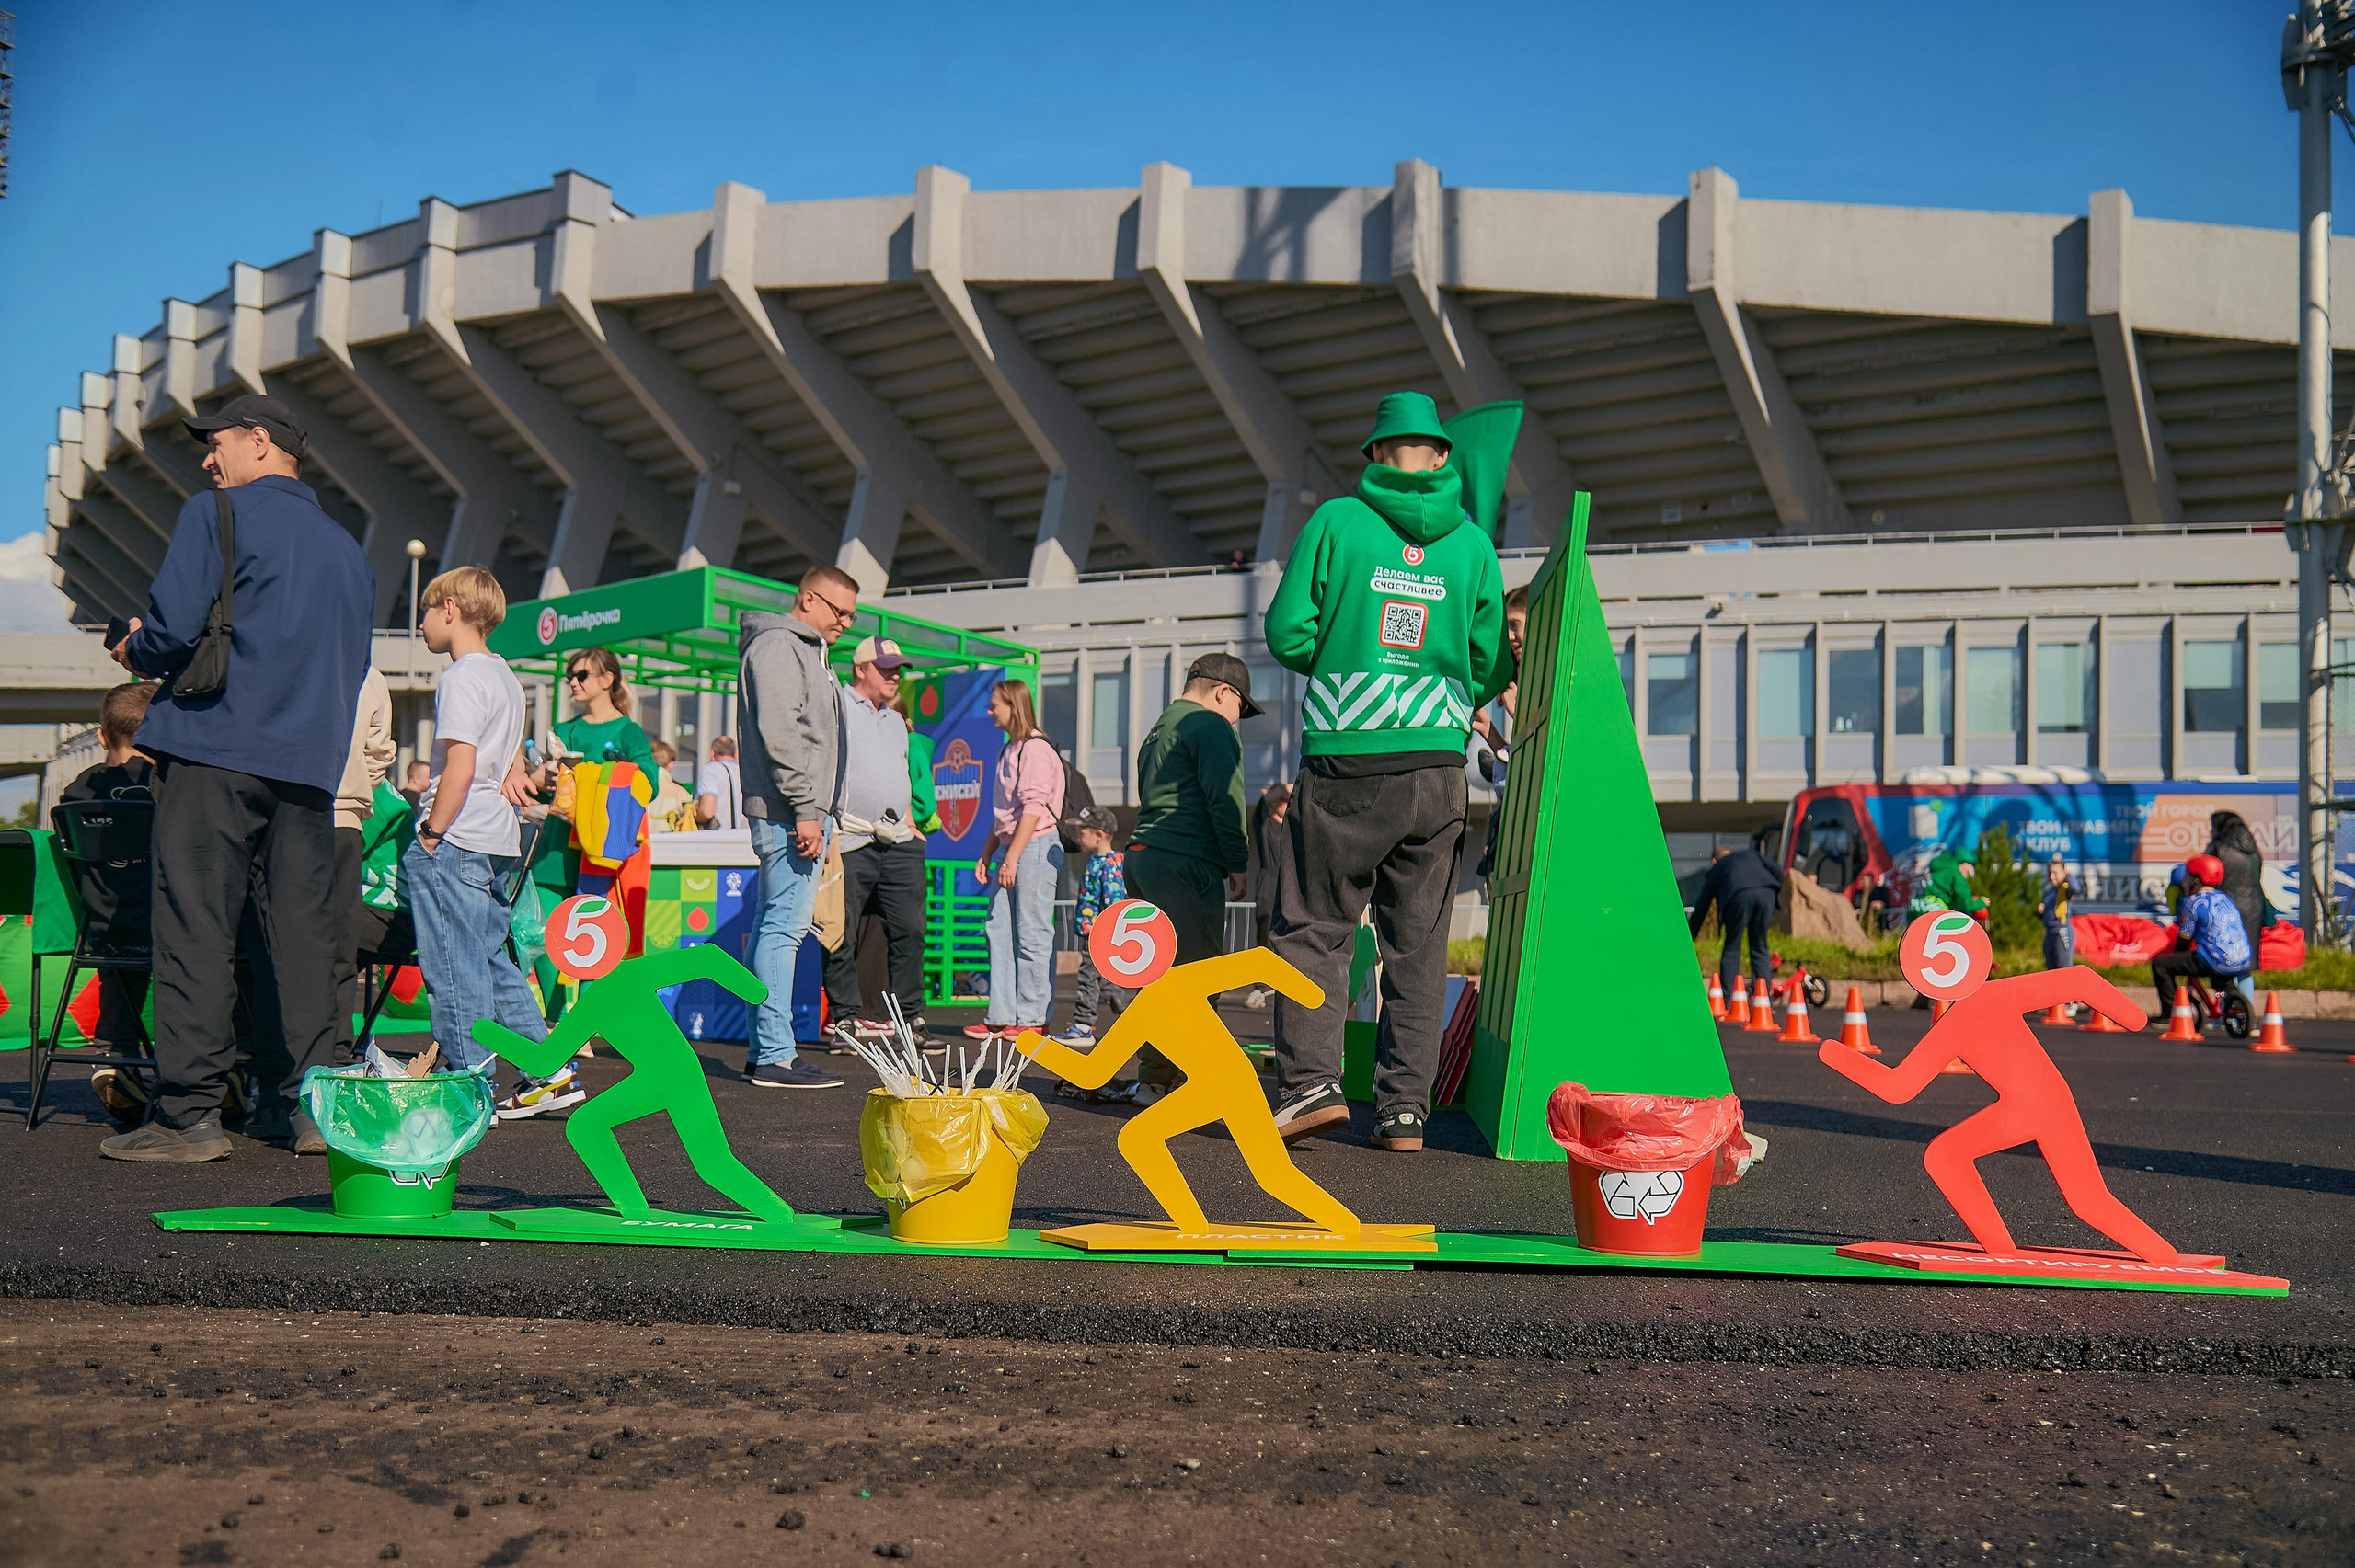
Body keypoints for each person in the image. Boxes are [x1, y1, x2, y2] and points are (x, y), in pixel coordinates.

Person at [101, 393, 373, 1163]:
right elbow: (352, 667)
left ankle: (190, 1115)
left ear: (260, 441)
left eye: (214, 442)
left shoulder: (212, 514)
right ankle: (314, 1108)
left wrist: (135, 646)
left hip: (217, 744)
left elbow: (171, 630)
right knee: (304, 936)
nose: (206, 457)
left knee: (194, 927)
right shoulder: (348, 549)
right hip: (309, 767)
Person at [1264, 391, 1509, 1155]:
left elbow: (1285, 632)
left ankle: (1311, 1085)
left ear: (1375, 453)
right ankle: (1405, 1111)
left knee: (1315, 924)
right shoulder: (1473, 546)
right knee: (1418, 945)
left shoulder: (1338, 521)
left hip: (1348, 754)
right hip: (1437, 764)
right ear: (1439, 456)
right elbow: (1489, 657)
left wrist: (1345, 647)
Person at [400, 568, 572, 1119]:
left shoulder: (462, 677)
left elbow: (463, 763)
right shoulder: (503, 675)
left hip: (457, 835)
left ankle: (467, 1087)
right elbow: (510, 764)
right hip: (496, 837)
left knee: (451, 966)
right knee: (490, 959)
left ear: (450, 609)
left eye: (426, 612)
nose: (422, 624)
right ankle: (549, 1071)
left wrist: (430, 832)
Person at [737, 566, 861, 1089]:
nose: (847, 624)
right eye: (840, 612)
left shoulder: (800, 648)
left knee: (774, 926)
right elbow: (782, 734)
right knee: (783, 930)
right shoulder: (780, 646)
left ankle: (765, 1049)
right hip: (792, 814)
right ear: (808, 599)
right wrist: (808, 809)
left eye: (852, 615)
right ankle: (775, 1054)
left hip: (795, 811)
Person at [1122, 654, 1258, 1096]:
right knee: (1197, 975)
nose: (1238, 721)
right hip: (1186, 860)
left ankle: (1153, 1079)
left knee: (1156, 974)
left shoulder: (1158, 729)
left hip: (1144, 856)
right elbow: (1225, 798)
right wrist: (1237, 862)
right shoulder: (1211, 726)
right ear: (1224, 693)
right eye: (1241, 708)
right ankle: (1192, 1080)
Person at [524, 645, 655, 1017]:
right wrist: (544, 775)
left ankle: (587, 1022)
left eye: (581, 675)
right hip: (554, 848)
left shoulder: (629, 732)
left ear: (607, 679)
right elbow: (538, 786)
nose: (573, 683)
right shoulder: (562, 730)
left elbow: (650, 786)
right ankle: (557, 1021)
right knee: (544, 935)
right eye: (570, 676)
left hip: (601, 852)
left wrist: (599, 777)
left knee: (594, 940)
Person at [824, 636, 928, 1044]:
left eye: (898, 667)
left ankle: (910, 1021)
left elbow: (897, 775)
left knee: (910, 932)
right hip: (849, 836)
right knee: (841, 930)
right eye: (885, 667)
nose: (895, 674)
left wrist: (909, 819)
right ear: (860, 669)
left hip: (899, 839)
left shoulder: (895, 720)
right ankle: (844, 1018)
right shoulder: (838, 706)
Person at [62, 681, 158, 1120]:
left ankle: (114, 1054)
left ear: (101, 736)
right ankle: (231, 1060)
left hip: (102, 927)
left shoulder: (78, 791)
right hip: (165, 925)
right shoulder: (164, 788)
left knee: (120, 964)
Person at [970, 679, 1064, 1045]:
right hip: (1015, 847)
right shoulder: (1009, 749)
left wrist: (1009, 857)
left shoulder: (1035, 750)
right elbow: (1005, 814)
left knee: (1032, 932)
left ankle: (1033, 1018)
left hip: (1036, 846)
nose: (990, 711)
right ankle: (1002, 1015)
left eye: (995, 705)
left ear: (1014, 705)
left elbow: (1033, 809)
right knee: (999, 929)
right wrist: (988, 852)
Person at [330, 667, 398, 1072]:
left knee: (273, 946)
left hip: (288, 816)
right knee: (339, 948)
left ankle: (263, 1064)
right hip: (343, 817)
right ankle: (336, 1054)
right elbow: (378, 752)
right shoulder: (366, 671)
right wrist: (357, 789)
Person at [1051, 805, 1130, 1058]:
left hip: (1099, 934)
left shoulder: (1109, 863)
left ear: (1098, 834)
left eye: (1081, 832)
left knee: (1089, 977)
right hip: (1093, 932)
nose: (1077, 837)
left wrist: (1110, 933)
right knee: (1106, 981)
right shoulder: (1100, 861)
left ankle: (1084, 1025)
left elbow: (1114, 901)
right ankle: (1133, 1018)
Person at [2152, 853, 2254, 1027]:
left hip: (2213, 959)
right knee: (2221, 974)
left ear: (2196, 880)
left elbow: (2184, 938)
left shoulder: (2193, 903)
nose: (2183, 881)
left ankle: (2169, 1014)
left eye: (2186, 877)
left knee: (2161, 965)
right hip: (2242, 958)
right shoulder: (2225, 898)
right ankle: (2236, 1005)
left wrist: (2177, 958)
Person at [1470, 583, 1529, 884]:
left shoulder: (1549, 684)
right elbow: (1521, 760)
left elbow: (1547, 757)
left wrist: (1520, 714)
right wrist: (1489, 731)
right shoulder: (1520, 682)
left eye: (1515, 625)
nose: (1509, 636)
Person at [1688, 841, 1786, 1004]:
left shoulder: (1719, 867)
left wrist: (1690, 935)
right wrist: (1776, 889)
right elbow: (1777, 870)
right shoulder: (1751, 855)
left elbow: (1702, 905)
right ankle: (1763, 998)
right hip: (1767, 892)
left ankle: (1728, 998)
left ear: (1714, 861)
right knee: (1759, 945)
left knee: (1732, 946)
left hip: (1738, 896)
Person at [2205, 810, 2265, 1010]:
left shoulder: (2218, 848)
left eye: (2212, 826)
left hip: (2226, 909)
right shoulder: (2253, 850)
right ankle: (2246, 1010)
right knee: (2245, 965)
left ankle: (2226, 1009)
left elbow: (2203, 873)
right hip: (2253, 908)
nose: (2210, 831)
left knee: (2222, 963)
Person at [1249, 783, 1290, 949]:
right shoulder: (1264, 823)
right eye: (1282, 800)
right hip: (1269, 884)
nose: (1286, 803)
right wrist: (1289, 788)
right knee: (1265, 941)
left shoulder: (1292, 826)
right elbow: (1268, 797)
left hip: (1287, 886)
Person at [695, 736, 743, 830]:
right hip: (744, 836)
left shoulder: (711, 770)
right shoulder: (745, 772)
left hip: (719, 837)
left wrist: (693, 815)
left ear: (712, 753)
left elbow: (707, 812)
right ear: (736, 754)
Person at [646, 738, 695, 830]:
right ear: (671, 764)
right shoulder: (682, 793)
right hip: (670, 842)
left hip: (641, 842)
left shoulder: (636, 786)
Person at [2039, 858, 2075, 971]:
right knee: (2051, 971)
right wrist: (2040, 911)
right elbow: (2045, 917)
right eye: (2050, 873)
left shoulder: (2065, 889)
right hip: (2049, 933)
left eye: (2055, 873)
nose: (2051, 876)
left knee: (2064, 970)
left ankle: (2067, 989)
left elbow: (2075, 888)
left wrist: (2068, 877)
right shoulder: (2048, 893)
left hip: (2062, 931)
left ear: (2064, 873)